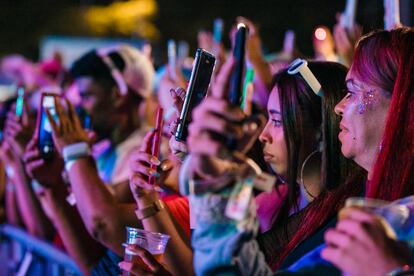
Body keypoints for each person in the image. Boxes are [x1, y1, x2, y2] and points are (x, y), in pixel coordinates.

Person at [321, 27, 414, 275]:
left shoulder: (404, 221)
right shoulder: (344, 199)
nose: (338, 107)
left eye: (352, 92)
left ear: (399, 103)